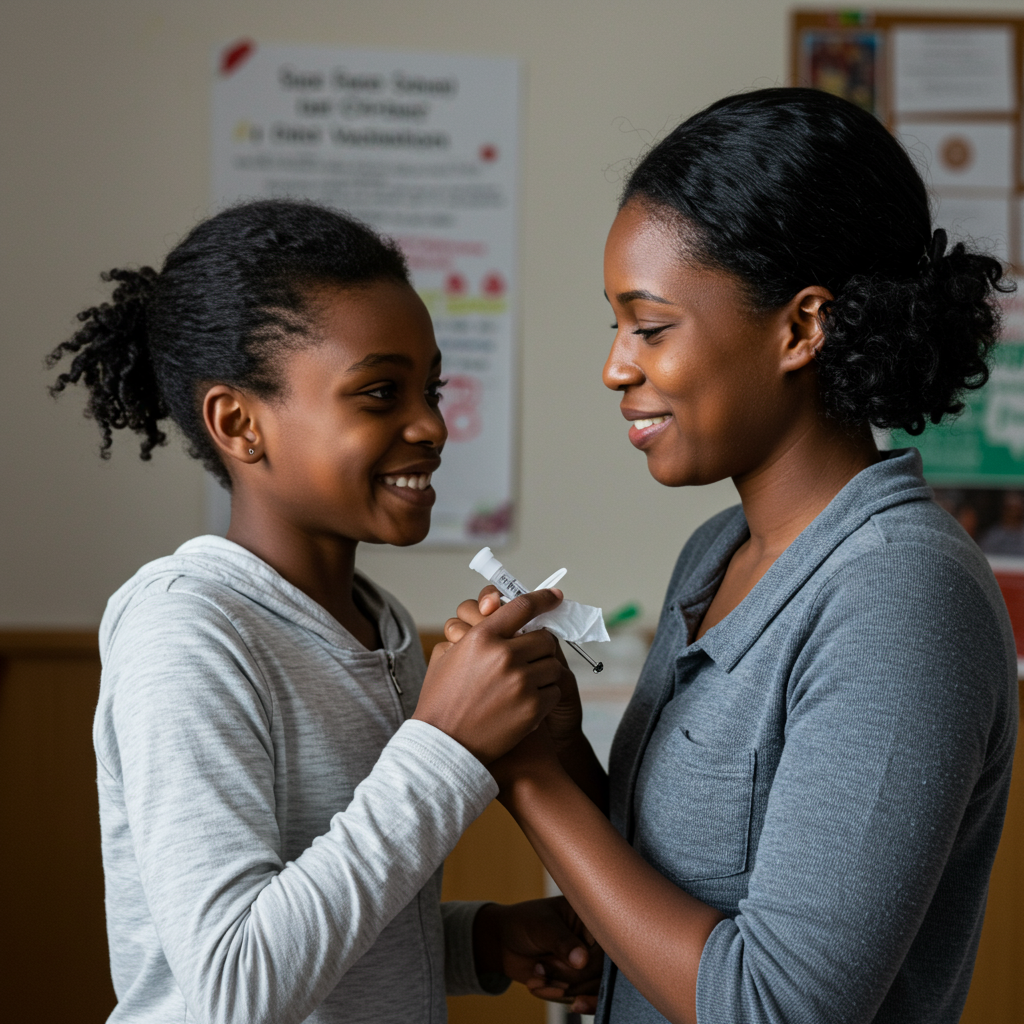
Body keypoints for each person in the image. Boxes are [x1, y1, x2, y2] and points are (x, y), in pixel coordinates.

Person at [447, 88, 1018, 1023]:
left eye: (651, 326)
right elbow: (671, 877)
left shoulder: (900, 597)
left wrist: (525, 776)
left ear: (800, 328)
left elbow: (775, 1007)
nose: (616, 367)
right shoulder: (716, 553)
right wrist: (549, 736)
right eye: (615, 325)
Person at [48, 199, 601, 1024]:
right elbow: (235, 985)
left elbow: (326, 931)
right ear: (239, 423)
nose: (433, 425)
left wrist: (481, 941)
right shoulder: (187, 631)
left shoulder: (377, 628)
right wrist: (443, 747)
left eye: (431, 387)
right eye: (380, 392)